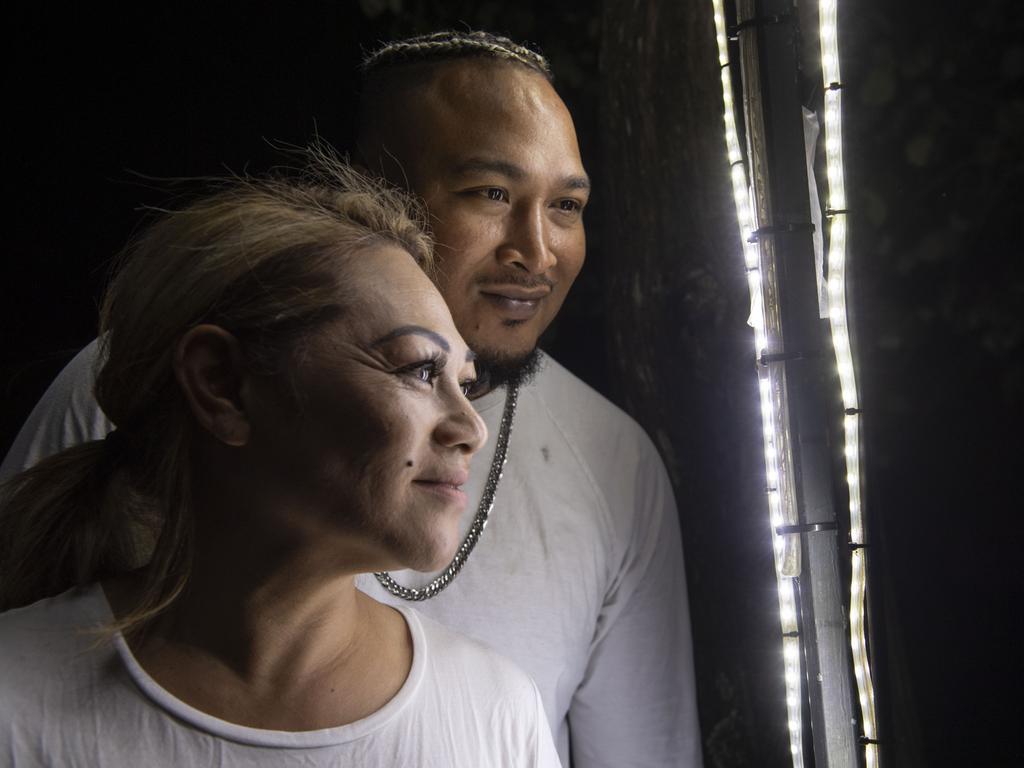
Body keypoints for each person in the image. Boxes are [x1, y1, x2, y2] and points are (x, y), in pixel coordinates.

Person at [1, 30, 702, 767]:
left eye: (565, 204)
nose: (537, 249)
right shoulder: (138, 384)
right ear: (370, 190)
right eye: (490, 193)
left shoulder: (606, 471)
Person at [0, 160, 561, 766]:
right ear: (223, 384)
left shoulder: (495, 715)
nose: (471, 428)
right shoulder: (15, 702)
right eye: (420, 369)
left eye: (465, 382)